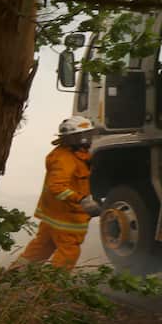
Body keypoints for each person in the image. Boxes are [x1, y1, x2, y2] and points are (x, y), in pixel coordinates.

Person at [11, 116, 101, 270]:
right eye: (83, 136)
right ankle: (52, 288)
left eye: (88, 134)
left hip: (52, 218)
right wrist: (82, 200)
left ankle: (11, 277)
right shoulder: (65, 158)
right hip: (66, 219)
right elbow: (57, 187)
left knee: (39, 249)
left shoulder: (75, 155)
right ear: (71, 138)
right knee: (68, 254)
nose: (87, 139)